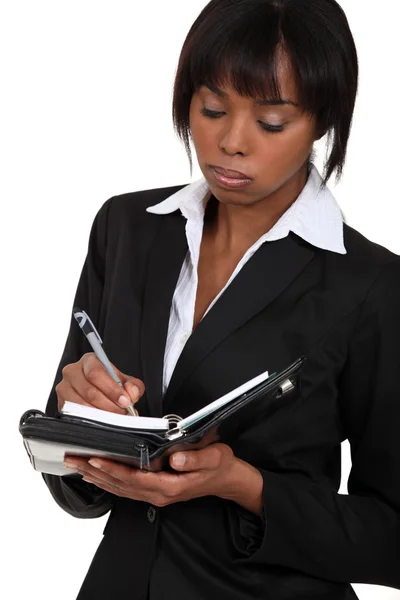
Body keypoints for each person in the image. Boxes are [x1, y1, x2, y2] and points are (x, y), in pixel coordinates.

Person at [42, 1, 400, 598]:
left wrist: (242, 485)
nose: (231, 142)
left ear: (322, 121)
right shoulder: (125, 227)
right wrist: (76, 421)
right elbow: (72, 483)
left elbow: (392, 537)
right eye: (211, 109)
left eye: (272, 122)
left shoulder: (371, 286)